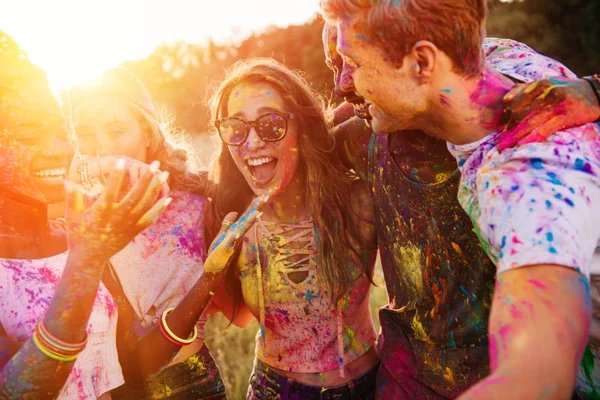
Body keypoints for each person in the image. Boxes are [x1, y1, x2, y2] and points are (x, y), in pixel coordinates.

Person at [321, 0, 600, 398]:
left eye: (353, 61)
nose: (341, 84)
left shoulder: (529, 183)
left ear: (421, 62)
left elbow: (536, 379)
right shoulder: (500, 60)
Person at [0, 31, 169, 399]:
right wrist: (87, 261)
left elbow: (118, 368)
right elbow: (16, 392)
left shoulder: (70, 235)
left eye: (63, 133)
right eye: (30, 135)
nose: (59, 150)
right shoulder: (82, 248)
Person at [208, 57, 379, 399]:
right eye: (235, 128)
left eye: (270, 124)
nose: (252, 142)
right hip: (277, 391)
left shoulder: (358, 202)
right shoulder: (230, 222)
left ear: (301, 126)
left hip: (370, 387)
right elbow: (239, 318)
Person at [67, 66, 240, 399]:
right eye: (85, 133)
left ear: (149, 134)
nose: (101, 146)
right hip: (116, 389)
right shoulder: (76, 214)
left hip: (193, 383)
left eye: (116, 130)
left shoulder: (198, 200)